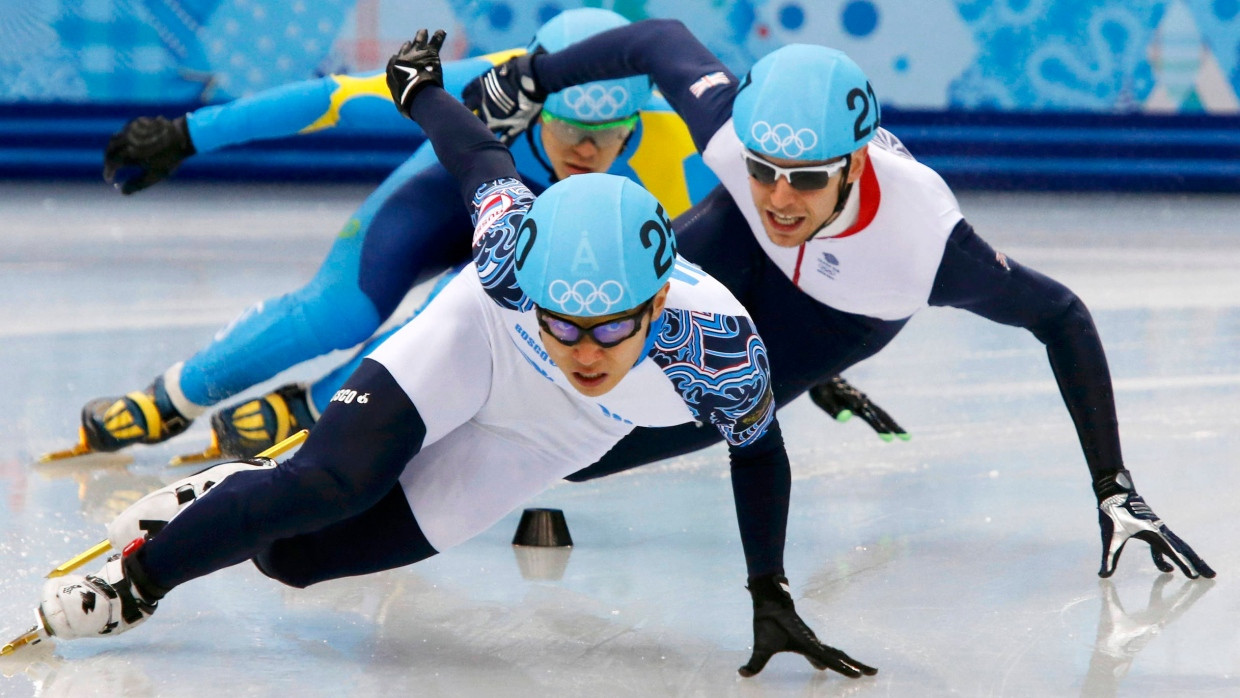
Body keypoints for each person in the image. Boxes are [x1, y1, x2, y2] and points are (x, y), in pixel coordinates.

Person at [28, 29, 879, 680]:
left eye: (612, 327)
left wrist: (769, 591)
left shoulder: (715, 343)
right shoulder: (510, 247)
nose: (584, 349)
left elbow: (758, 449)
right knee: (333, 482)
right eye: (565, 323)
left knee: (296, 557)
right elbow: (472, 151)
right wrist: (419, 87)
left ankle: (237, 492)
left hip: (552, 437)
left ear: (660, 302)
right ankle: (142, 580)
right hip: (479, 337)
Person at [463, 20, 1215, 580]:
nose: (783, 198)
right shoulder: (734, 144)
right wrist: (534, 73)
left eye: (809, 178)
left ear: (855, 163)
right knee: (563, 331)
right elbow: (658, 39)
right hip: (737, 244)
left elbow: (1063, 316)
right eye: (766, 168)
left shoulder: (925, 244)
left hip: (835, 317)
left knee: (591, 454)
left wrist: (1116, 489)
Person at [65, 8, 902, 465]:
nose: (586, 150)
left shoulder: (683, 148)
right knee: (335, 312)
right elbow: (332, 100)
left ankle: (309, 412)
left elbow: (735, 267)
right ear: (539, 97)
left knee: (455, 320)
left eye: (609, 136)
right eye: (569, 126)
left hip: (526, 257)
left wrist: (802, 364)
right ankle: (173, 395)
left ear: (638, 116)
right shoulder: (492, 84)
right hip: (445, 196)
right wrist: (189, 134)